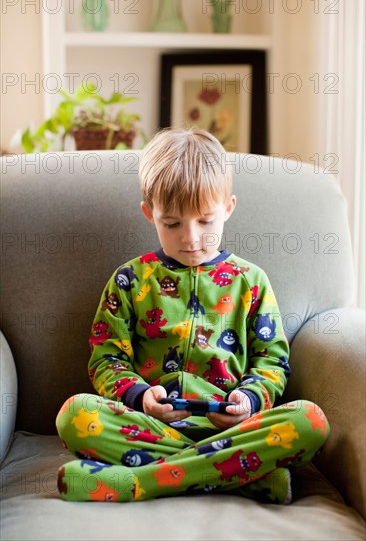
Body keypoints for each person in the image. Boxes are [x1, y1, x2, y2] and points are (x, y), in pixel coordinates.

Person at [56, 127, 330, 503]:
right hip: (152, 425)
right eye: (172, 223)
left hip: (233, 428)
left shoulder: (251, 281)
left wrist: (249, 400)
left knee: (310, 421)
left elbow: (273, 361)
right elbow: (107, 358)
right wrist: (138, 396)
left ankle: (143, 482)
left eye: (205, 221)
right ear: (149, 214)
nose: (190, 238)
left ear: (228, 209)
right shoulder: (129, 280)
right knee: (75, 415)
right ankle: (244, 479)